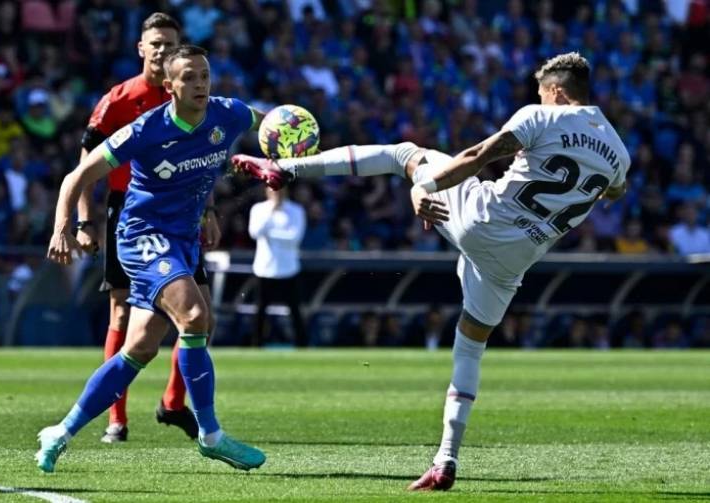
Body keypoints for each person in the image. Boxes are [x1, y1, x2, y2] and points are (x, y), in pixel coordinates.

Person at [232, 52, 630, 491]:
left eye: (541, 92)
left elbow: (480, 153)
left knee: (403, 153)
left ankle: (284, 168)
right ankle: (445, 460)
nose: (538, 98)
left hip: (481, 218)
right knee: (470, 348)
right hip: (517, 257)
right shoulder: (619, 152)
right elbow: (614, 190)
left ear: (555, 91)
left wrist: (426, 186)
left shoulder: (542, 116)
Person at [37, 45, 267, 473]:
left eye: (205, 76)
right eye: (190, 78)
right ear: (170, 86)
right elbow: (78, 176)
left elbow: (268, 122)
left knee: (140, 348)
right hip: (142, 237)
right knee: (196, 316)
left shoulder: (228, 113)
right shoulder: (146, 129)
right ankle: (211, 433)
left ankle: (61, 430)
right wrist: (62, 228)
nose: (200, 84)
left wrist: (285, 138)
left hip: (183, 240)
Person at [75, 12, 216, 443]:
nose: (160, 50)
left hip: (184, 211)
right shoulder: (119, 100)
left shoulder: (189, 95)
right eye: (154, 43)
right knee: (123, 312)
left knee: (203, 316)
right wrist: (85, 220)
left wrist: (207, 210)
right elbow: (85, 166)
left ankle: (173, 403)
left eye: (168, 44)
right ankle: (116, 418)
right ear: (141, 48)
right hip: (131, 215)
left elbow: (203, 160)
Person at [248, 186, 307, 347]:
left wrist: (270, 235)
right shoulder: (259, 209)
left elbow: (294, 238)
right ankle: (256, 345)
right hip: (264, 268)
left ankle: (302, 345)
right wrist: (271, 212)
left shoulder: (296, 210)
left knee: (295, 311)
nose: (277, 193)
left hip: (289, 268)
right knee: (260, 311)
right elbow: (255, 232)